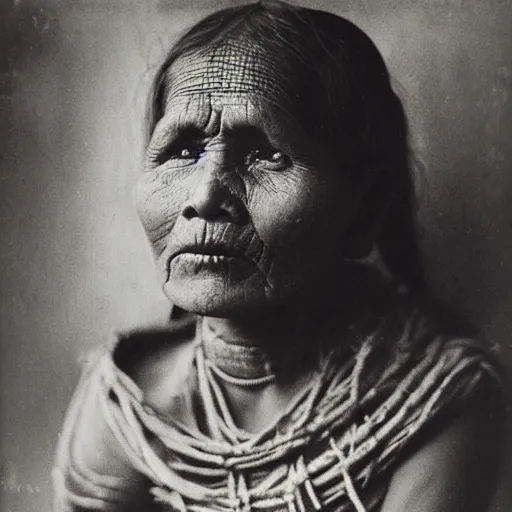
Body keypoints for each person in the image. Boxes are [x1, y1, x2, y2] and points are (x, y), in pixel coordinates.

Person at [52, 1, 506, 511]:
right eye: (182, 149)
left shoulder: (434, 401)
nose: (203, 196)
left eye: (265, 154)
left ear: (365, 209)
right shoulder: (128, 408)